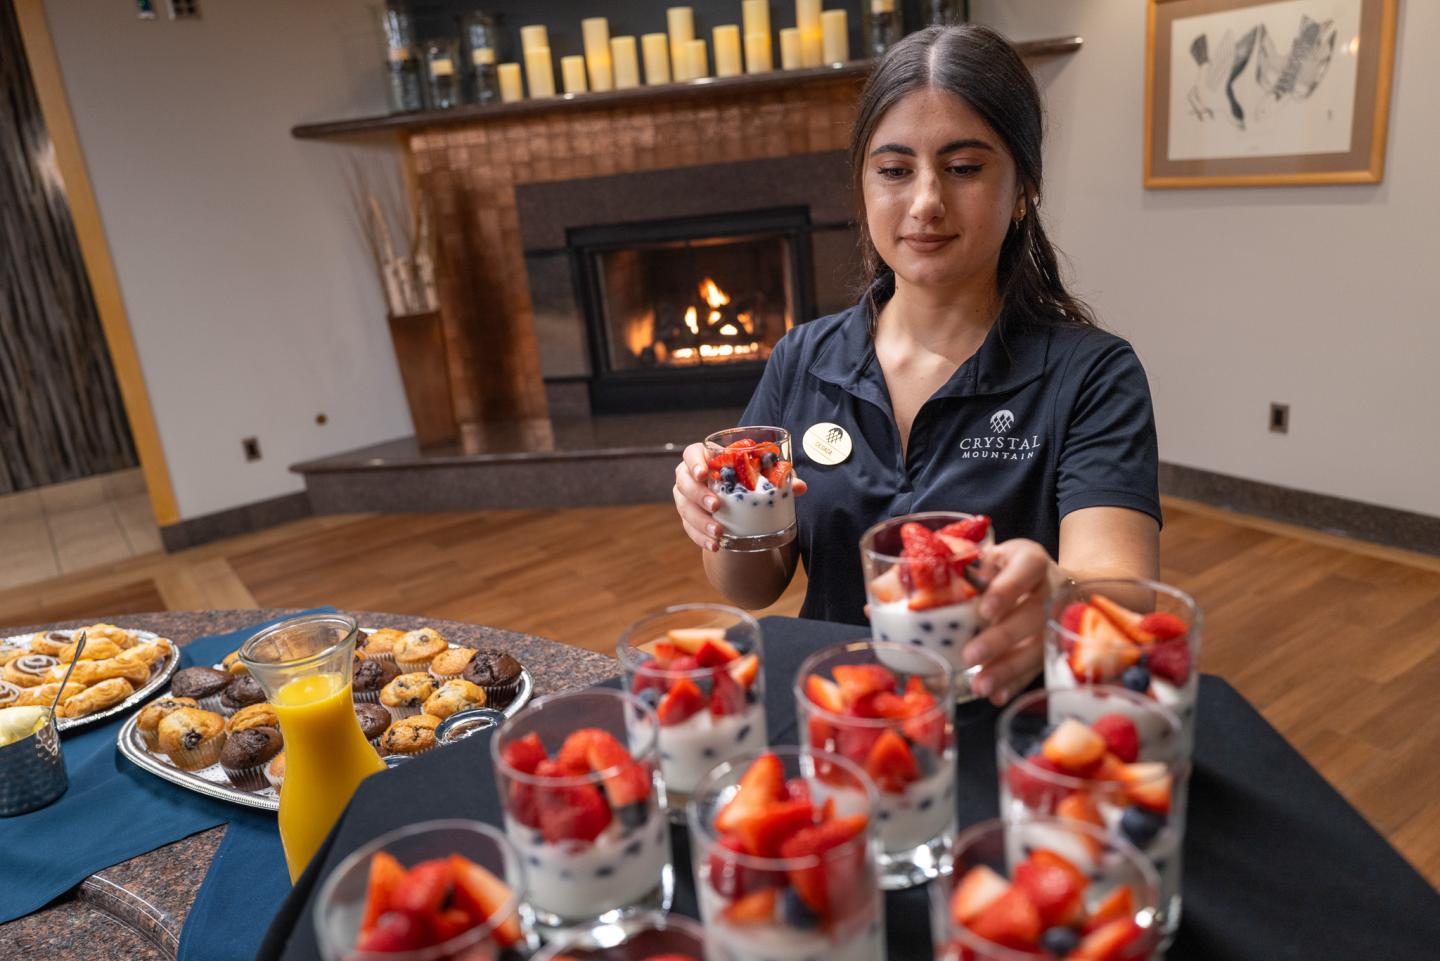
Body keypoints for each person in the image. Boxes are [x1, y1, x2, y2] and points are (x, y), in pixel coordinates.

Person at [672, 25, 1161, 705]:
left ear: (1024, 187)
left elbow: (1125, 594)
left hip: (1005, 716)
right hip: (838, 713)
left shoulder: (1092, 376)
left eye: (963, 168)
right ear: (864, 186)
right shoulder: (803, 360)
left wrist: (1061, 591)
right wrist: (719, 515)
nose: (926, 201)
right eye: (895, 170)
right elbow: (752, 587)